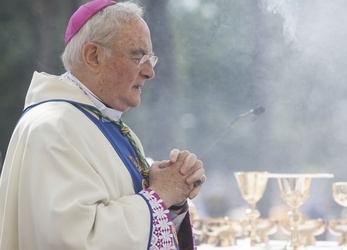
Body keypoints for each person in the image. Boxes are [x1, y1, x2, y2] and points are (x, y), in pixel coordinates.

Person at [0, 0, 206, 249]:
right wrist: (160, 195)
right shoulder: (53, 127)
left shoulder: (109, 126)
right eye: (138, 56)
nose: (150, 71)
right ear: (93, 56)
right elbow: (75, 240)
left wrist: (172, 198)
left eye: (151, 58)